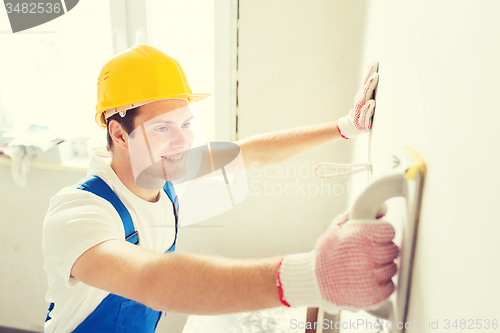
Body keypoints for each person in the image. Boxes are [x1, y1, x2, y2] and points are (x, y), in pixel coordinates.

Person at [42, 45, 398, 333]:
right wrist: (311, 276)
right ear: (119, 134)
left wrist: (344, 127)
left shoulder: (164, 177)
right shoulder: (79, 211)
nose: (183, 141)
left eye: (185, 123)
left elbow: (249, 153)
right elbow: (152, 280)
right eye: (163, 128)